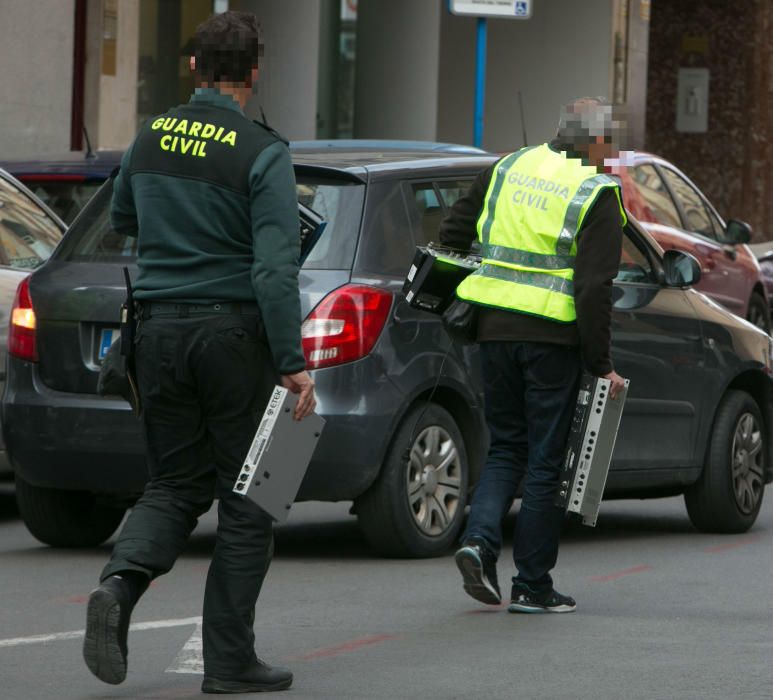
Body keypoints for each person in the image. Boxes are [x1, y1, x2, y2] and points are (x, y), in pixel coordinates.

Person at [82, 11, 315, 694]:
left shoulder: (149, 137)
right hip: (229, 336)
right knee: (250, 502)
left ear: (193, 68)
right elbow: (275, 271)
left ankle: (119, 588)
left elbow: (123, 219)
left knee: (173, 484)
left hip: (153, 332)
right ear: (253, 71)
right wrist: (291, 360)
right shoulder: (261, 151)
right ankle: (229, 663)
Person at [442, 97, 627, 614]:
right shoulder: (596, 192)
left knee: (506, 448)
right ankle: (532, 586)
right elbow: (593, 288)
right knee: (545, 463)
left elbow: (452, 235)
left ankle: (479, 543)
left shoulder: (507, 167)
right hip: (552, 340)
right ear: (597, 143)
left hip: (493, 331)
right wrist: (601, 363)